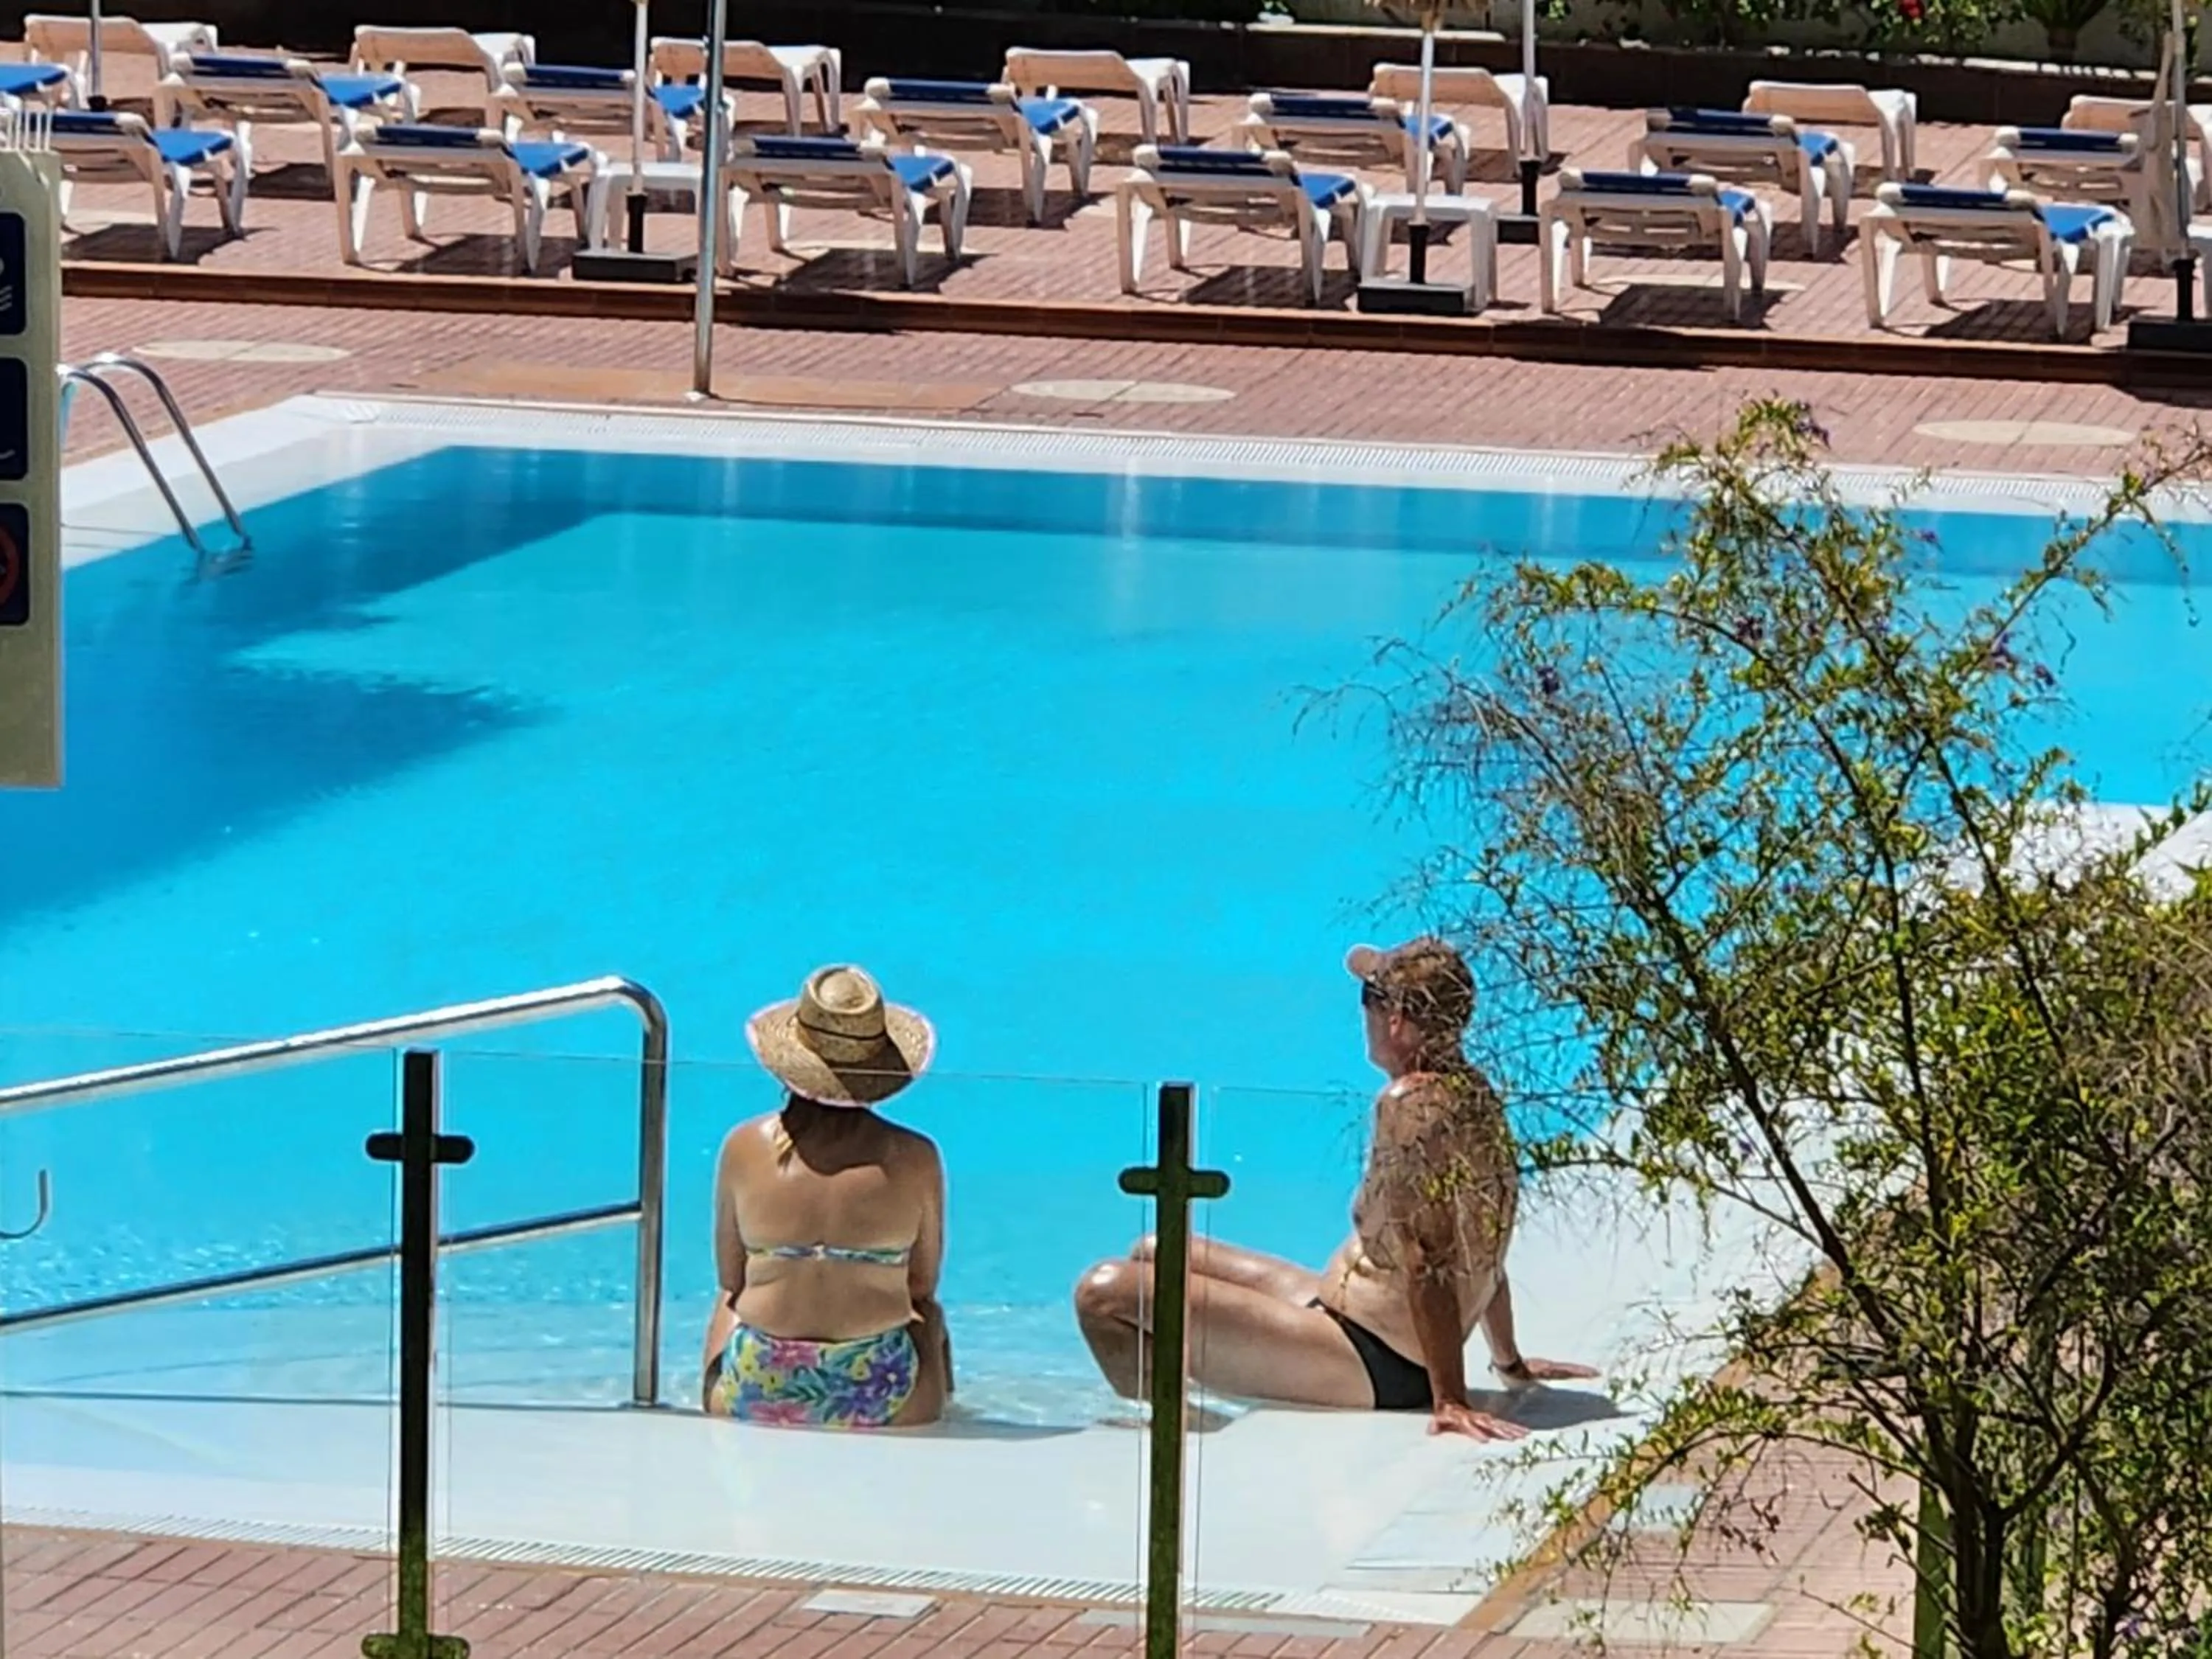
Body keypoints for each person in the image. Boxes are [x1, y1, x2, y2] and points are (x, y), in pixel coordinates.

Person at [1074, 937, 1595, 1439]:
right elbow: (1486, 1243)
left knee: (1102, 1294)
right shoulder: (1475, 1091)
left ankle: (1181, 1434)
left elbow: (1432, 1255)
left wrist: (1450, 1400)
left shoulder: (1410, 1107)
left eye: (1368, 1000)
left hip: (1377, 1360)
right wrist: (1509, 1362)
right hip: (1361, 1324)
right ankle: (1185, 1409)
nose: (1362, 1017)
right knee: (1156, 1250)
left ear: (1396, 1020)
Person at [702, 964, 952, 1430]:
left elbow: (732, 1277)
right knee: (930, 1316)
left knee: (729, 1299)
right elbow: (921, 1286)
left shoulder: (743, 1145)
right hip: (882, 1397)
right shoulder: (915, 1156)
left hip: (759, 1387)